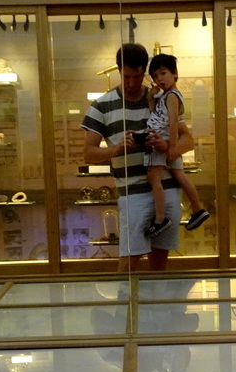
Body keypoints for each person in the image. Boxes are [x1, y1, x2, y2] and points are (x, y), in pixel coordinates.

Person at [81, 43, 194, 272]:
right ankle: (126, 307)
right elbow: (88, 154)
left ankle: (158, 307)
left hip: (167, 187)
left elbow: (188, 140)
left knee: (160, 258)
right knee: (130, 259)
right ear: (119, 71)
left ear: (144, 72)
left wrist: (167, 148)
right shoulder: (102, 106)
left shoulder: (161, 99)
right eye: (126, 77)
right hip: (132, 192)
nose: (132, 83)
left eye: (137, 76)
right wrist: (115, 149)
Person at [143, 53, 210, 237]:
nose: (159, 79)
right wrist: (151, 99)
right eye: (155, 76)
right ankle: (198, 209)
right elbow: (156, 116)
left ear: (175, 73)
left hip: (160, 143)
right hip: (163, 141)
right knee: (180, 175)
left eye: (163, 73)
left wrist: (171, 147)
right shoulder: (165, 96)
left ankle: (160, 219)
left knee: (154, 179)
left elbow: (173, 122)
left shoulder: (172, 96)